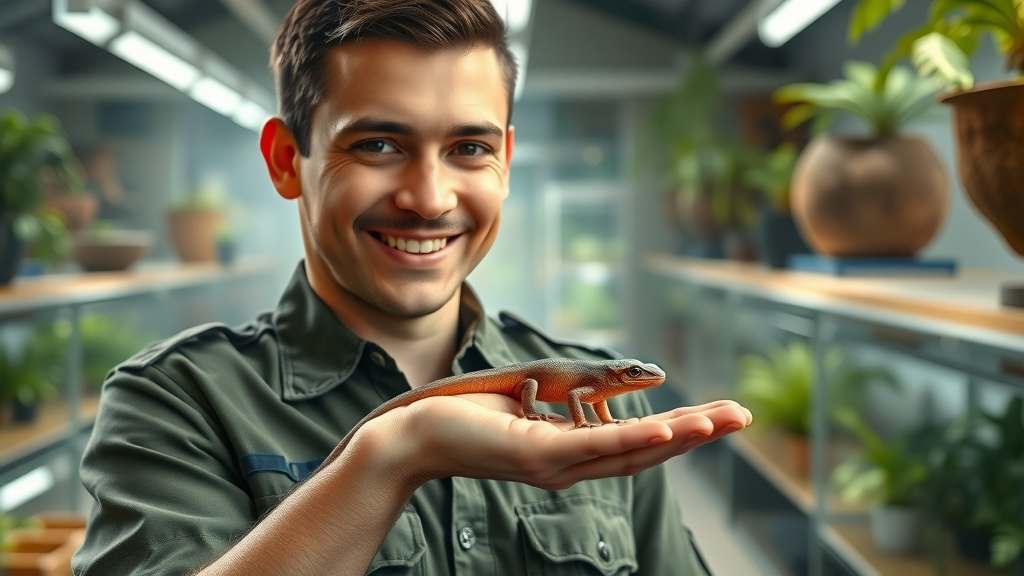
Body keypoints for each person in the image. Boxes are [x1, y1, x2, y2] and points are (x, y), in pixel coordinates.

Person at [72, 1, 752, 575]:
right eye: (376, 145)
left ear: (506, 164)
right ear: (287, 161)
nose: (429, 199)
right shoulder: (173, 402)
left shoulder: (619, 422)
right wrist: (395, 454)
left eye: (469, 148)